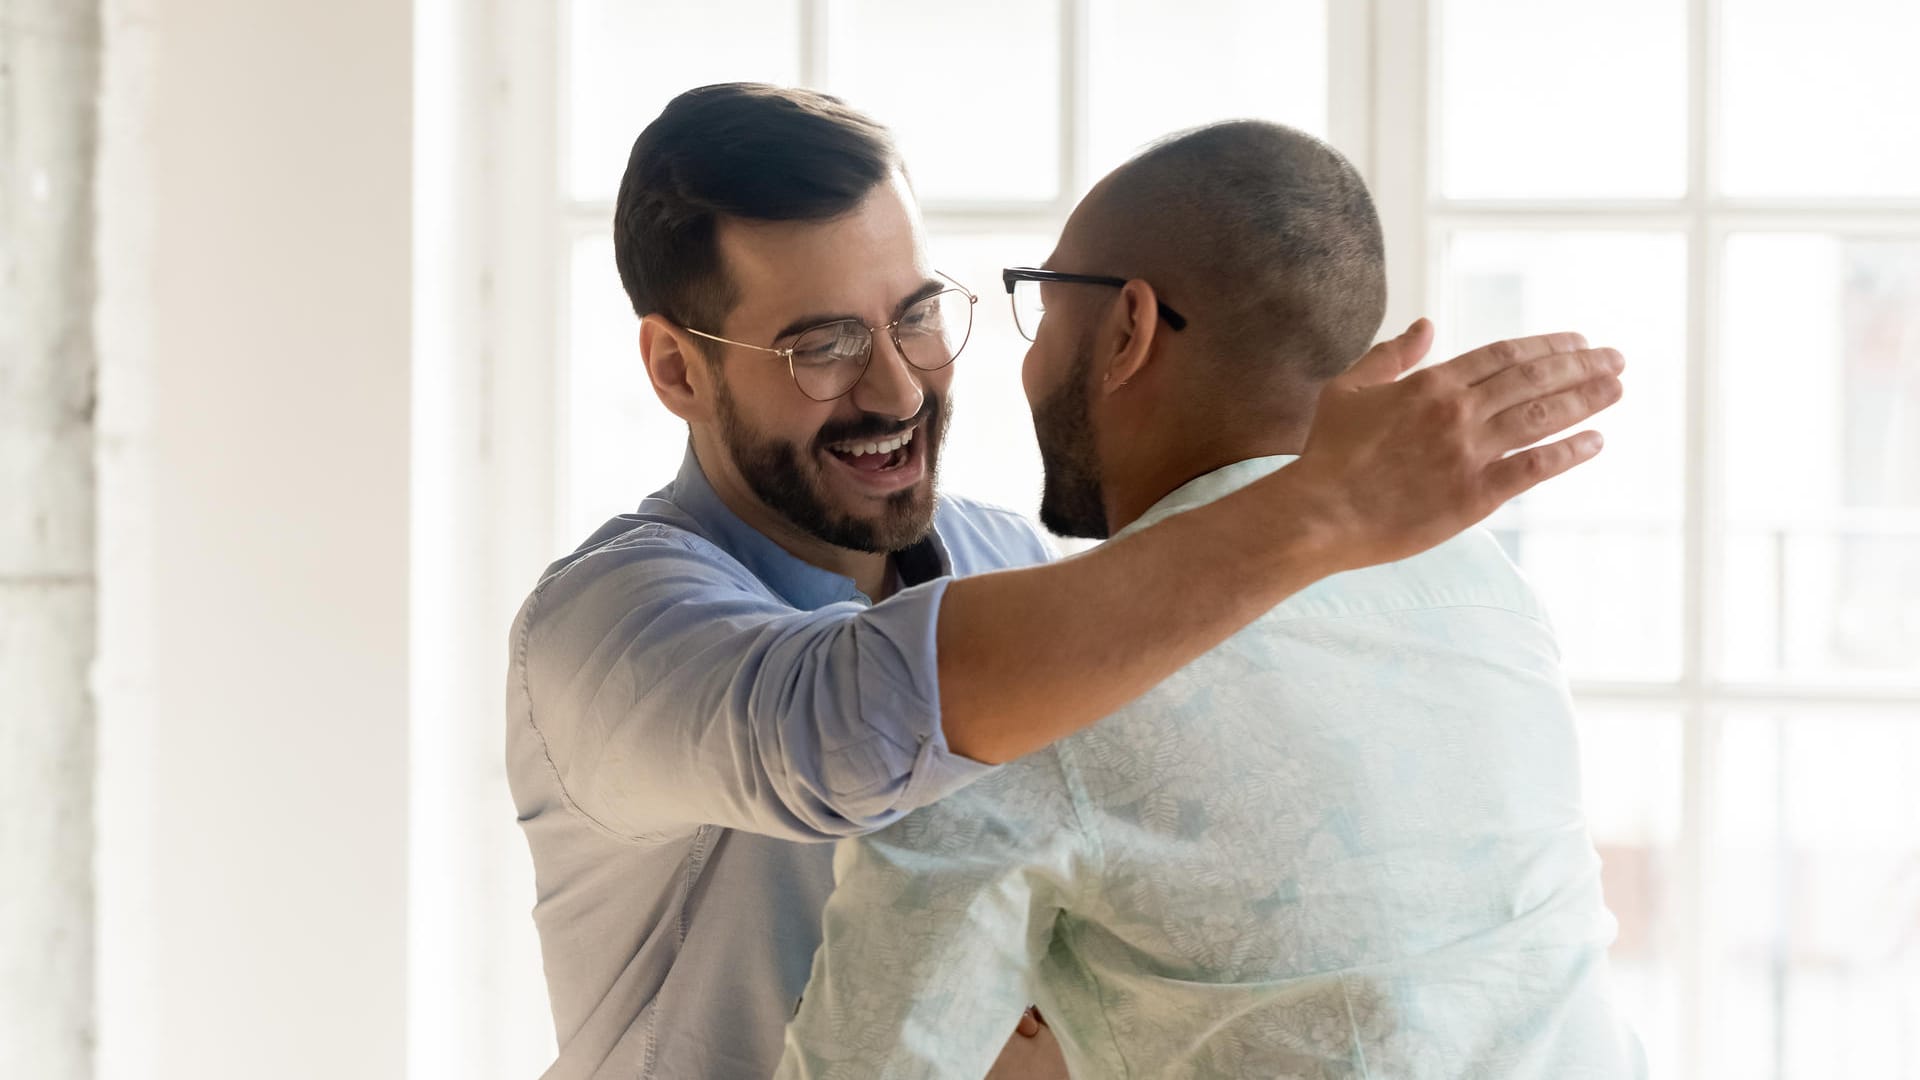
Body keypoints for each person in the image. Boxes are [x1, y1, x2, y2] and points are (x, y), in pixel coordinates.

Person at [506, 84, 1625, 1080]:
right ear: (674, 367)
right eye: (823, 346)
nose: (898, 387)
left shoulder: (1021, 570)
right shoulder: (604, 628)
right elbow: (848, 731)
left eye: (917, 316)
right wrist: (1316, 503)